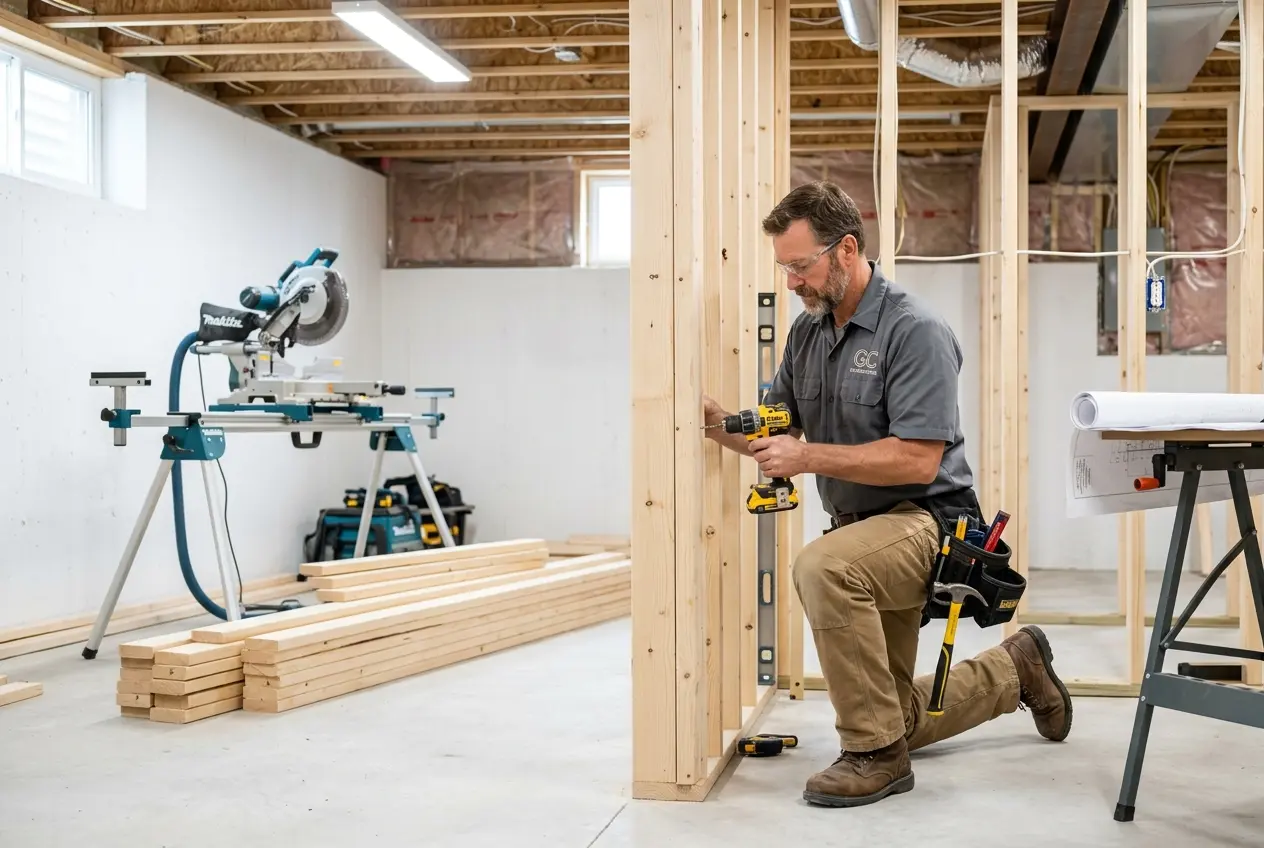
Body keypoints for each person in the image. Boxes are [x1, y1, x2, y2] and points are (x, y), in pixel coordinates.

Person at [702, 181, 1073, 809]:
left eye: (799, 265)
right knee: (898, 715)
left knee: (823, 567)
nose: (791, 282)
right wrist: (716, 426)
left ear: (846, 249)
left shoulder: (914, 329)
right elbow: (780, 434)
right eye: (784, 267)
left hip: (931, 522)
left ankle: (874, 758)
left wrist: (806, 455)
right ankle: (1018, 668)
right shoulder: (807, 335)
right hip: (861, 529)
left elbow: (917, 457)